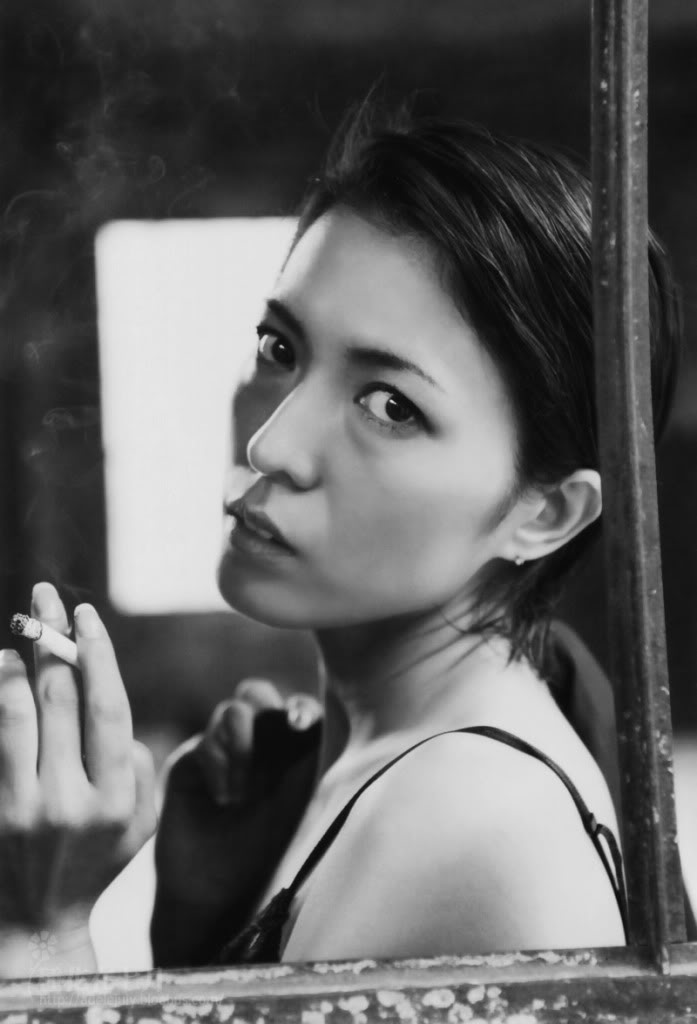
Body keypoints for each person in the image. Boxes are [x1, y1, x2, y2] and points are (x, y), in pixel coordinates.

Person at [0, 101, 681, 975]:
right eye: (279, 349)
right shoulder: (368, 762)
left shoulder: (475, 818)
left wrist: (41, 923)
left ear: (541, 514)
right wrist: (218, 889)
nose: (269, 445)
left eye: (390, 406)